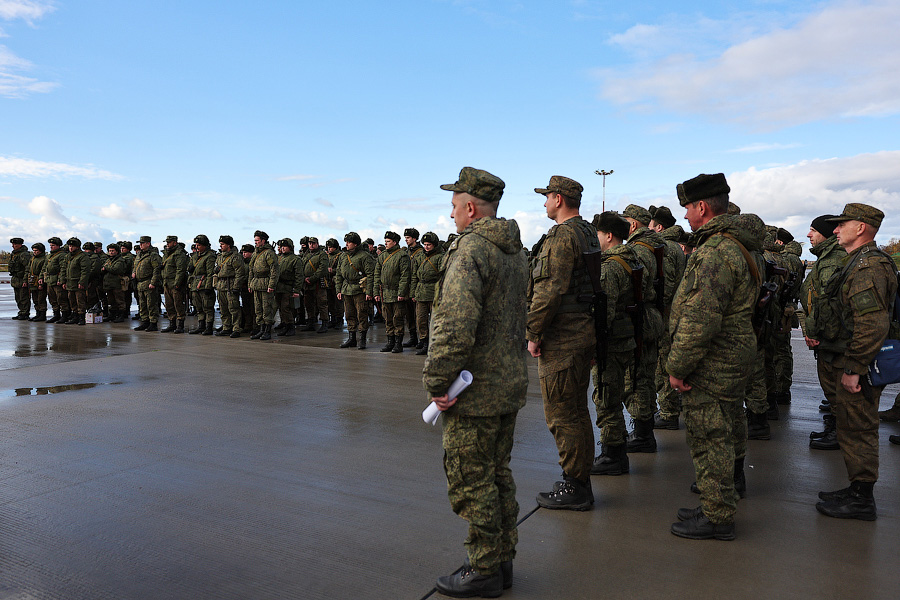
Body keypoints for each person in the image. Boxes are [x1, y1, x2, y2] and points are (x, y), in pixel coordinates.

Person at [424, 166, 528, 597]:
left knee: (472, 479)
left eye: (453, 206)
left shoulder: (470, 252)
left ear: (470, 207)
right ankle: (500, 561)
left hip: (474, 389)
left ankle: (483, 568)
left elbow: (454, 323)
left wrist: (437, 380)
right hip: (507, 382)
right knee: (498, 474)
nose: (451, 215)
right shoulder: (514, 251)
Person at [667, 173, 756, 540]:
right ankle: (714, 503)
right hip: (731, 355)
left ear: (702, 207)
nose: (686, 216)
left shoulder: (716, 251)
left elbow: (701, 318)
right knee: (725, 428)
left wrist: (677, 367)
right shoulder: (734, 244)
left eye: (688, 208)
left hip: (713, 361)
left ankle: (718, 516)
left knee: (710, 436)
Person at [810, 204, 897, 520]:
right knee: (852, 427)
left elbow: (872, 324)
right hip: (849, 358)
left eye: (841, 225)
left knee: (858, 428)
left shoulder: (867, 268)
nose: (835, 230)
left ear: (861, 227)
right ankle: (857, 489)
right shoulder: (858, 262)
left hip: (857, 364)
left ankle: (862, 499)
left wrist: (854, 368)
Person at [528, 176, 600, 510]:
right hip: (582, 331)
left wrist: (533, 332)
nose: (544, 203)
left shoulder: (562, 236)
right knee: (576, 412)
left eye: (546, 198)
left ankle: (576, 487)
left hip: (563, 337)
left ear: (558, 198)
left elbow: (549, 289)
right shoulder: (587, 232)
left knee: (562, 414)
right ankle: (578, 479)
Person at [589, 212, 641, 477]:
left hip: (611, 344)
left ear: (609, 236)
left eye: (598, 234)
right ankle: (615, 450)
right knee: (614, 394)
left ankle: (613, 454)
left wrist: (593, 346)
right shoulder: (631, 260)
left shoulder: (610, 267)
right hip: (625, 340)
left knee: (606, 398)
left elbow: (603, 313)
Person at [797, 216, 847, 450]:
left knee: (836, 388)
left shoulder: (830, 262)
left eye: (813, 231)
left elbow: (826, 303)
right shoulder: (826, 259)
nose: (809, 235)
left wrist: (813, 331)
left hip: (830, 337)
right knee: (833, 388)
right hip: (827, 335)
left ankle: (840, 433)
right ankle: (836, 428)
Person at [621, 204, 666, 453]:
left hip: (644, 318)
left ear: (634, 224)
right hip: (656, 316)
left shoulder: (639, 250)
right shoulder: (660, 246)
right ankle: (644, 430)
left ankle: (642, 434)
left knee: (636, 376)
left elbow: (641, 288)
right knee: (646, 375)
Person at [648, 206, 687, 429]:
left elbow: (667, 285)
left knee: (663, 364)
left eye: (651, 225)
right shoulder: (675, 248)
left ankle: (668, 413)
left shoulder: (663, 248)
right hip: (674, 314)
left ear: (659, 227)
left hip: (666, 316)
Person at [334, 231, 375, 349]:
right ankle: (352, 338)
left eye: (349, 242)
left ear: (356, 244)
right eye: (346, 242)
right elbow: (339, 274)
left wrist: (369, 292)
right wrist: (338, 290)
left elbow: (371, 275)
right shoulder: (343, 256)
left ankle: (362, 339)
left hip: (359, 289)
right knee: (349, 315)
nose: (346, 244)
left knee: (362, 314)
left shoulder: (364, 256)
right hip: (347, 289)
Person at [374, 230, 411, 353]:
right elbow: (376, 275)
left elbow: (405, 276)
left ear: (395, 242)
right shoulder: (382, 256)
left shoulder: (402, 255)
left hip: (396, 293)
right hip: (385, 292)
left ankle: (398, 343)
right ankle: (390, 342)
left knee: (398, 318)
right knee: (387, 318)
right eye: (385, 241)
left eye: (388, 241)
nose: (386, 243)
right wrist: (376, 292)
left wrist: (401, 293)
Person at [410, 231, 444, 355]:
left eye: (429, 244)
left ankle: (435, 343)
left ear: (434, 245)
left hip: (434, 292)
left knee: (436, 321)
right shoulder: (420, 256)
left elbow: (443, 276)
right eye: (424, 244)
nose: (426, 247)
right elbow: (414, 276)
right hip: (421, 292)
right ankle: (424, 342)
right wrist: (413, 292)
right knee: (421, 319)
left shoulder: (441, 257)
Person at [249, 230, 279, 340]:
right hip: (257, 284)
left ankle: (267, 331)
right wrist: (250, 284)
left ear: (263, 241)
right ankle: (261, 330)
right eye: (255, 240)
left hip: (266, 284)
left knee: (267, 308)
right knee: (258, 309)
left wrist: (271, 285)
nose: (255, 242)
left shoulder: (269, 253)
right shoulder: (255, 253)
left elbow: (274, 270)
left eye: (257, 240)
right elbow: (251, 270)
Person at [214, 235, 245, 337]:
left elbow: (239, 273)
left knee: (234, 308)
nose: (221, 246)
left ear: (229, 245)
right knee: (223, 308)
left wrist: (236, 286)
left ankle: (236, 328)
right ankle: (226, 326)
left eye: (223, 244)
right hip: (221, 284)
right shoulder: (220, 257)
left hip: (230, 284)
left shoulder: (235, 257)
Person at [299, 237, 329, 333]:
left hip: (318, 283)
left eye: (313, 243)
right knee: (308, 304)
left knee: (322, 303)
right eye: (310, 243)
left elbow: (322, 269)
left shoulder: (322, 254)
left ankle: (325, 323)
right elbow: (301, 267)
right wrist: (304, 278)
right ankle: (311, 322)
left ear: (317, 244)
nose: (311, 245)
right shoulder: (306, 255)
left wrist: (312, 278)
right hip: (307, 284)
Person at [133, 236, 163, 331]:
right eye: (140, 243)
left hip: (148, 281)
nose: (140, 245)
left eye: (142, 243)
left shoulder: (153, 255)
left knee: (151, 304)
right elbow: (135, 266)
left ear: (148, 244)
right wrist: (134, 272)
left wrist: (153, 282)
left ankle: (153, 323)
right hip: (140, 283)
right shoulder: (139, 255)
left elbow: (156, 270)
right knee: (142, 304)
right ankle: (145, 321)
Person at [188, 235, 217, 335]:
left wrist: (209, 286)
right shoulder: (195, 256)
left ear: (205, 245)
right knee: (198, 307)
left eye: (199, 245)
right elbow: (191, 272)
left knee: (207, 307)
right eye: (196, 245)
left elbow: (210, 273)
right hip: (195, 285)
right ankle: (201, 326)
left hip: (204, 284)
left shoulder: (210, 256)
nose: (197, 247)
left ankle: (209, 327)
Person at [273, 238, 301, 337]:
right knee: (280, 308)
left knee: (286, 308)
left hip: (288, 287)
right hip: (279, 287)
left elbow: (299, 276)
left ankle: (291, 327)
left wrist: (296, 289)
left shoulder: (295, 259)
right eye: (281, 246)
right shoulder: (279, 258)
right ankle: (285, 325)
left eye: (285, 246)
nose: (282, 248)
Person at [41, 237, 70, 323]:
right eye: (50, 245)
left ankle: (65, 315)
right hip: (50, 280)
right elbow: (45, 268)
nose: (51, 247)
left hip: (57, 280)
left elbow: (63, 268)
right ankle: (56, 315)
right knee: (52, 299)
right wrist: (41, 278)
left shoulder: (62, 255)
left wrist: (61, 280)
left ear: (58, 246)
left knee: (61, 299)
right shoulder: (49, 256)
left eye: (53, 245)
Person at [63, 237, 91, 325]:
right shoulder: (68, 256)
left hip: (78, 282)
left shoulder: (83, 256)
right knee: (72, 300)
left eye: (72, 246)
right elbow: (64, 269)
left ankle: (81, 317)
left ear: (77, 247)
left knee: (80, 301)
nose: (70, 248)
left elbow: (85, 271)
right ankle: (75, 316)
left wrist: (82, 282)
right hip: (70, 282)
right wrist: (63, 281)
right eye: (70, 246)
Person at [403, 228, 424, 348]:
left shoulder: (421, 252)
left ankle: (422, 338)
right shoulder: (406, 252)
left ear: (414, 239)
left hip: (417, 286)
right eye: (405, 238)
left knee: (419, 316)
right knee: (409, 315)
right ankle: (413, 337)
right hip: (407, 286)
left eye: (408, 238)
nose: (406, 240)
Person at [101, 244, 130, 322]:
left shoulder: (120, 260)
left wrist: (106, 268)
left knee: (120, 300)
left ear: (117, 251)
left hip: (117, 284)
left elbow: (116, 269)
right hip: (109, 284)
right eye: (110, 251)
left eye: (112, 251)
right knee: (111, 301)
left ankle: (121, 315)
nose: (111, 252)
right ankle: (112, 315)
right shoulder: (109, 260)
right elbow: (103, 267)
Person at [9, 237, 32, 320]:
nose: (13, 246)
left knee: (24, 297)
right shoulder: (14, 254)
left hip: (22, 278)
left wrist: (26, 280)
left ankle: (25, 313)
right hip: (16, 278)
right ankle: (21, 312)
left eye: (15, 244)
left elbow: (28, 268)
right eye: (12, 244)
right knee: (18, 297)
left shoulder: (24, 254)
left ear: (20, 245)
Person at [26, 242, 48, 321]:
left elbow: (43, 270)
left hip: (40, 281)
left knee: (41, 298)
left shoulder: (44, 259)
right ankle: (37, 313)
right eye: (34, 250)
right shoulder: (33, 259)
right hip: (33, 281)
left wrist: (41, 282)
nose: (34, 252)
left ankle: (42, 314)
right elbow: (28, 269)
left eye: (36, 250)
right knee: (35, 299)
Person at [239, 244, 256, 337]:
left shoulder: (253, 263)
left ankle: (254, 326)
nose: (244, 254)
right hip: (244, 288)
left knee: (253, 308)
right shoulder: (242, 263)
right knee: (246, 308)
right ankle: (248, 325)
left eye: (246, 252)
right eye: (243, 252)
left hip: (252, 288)